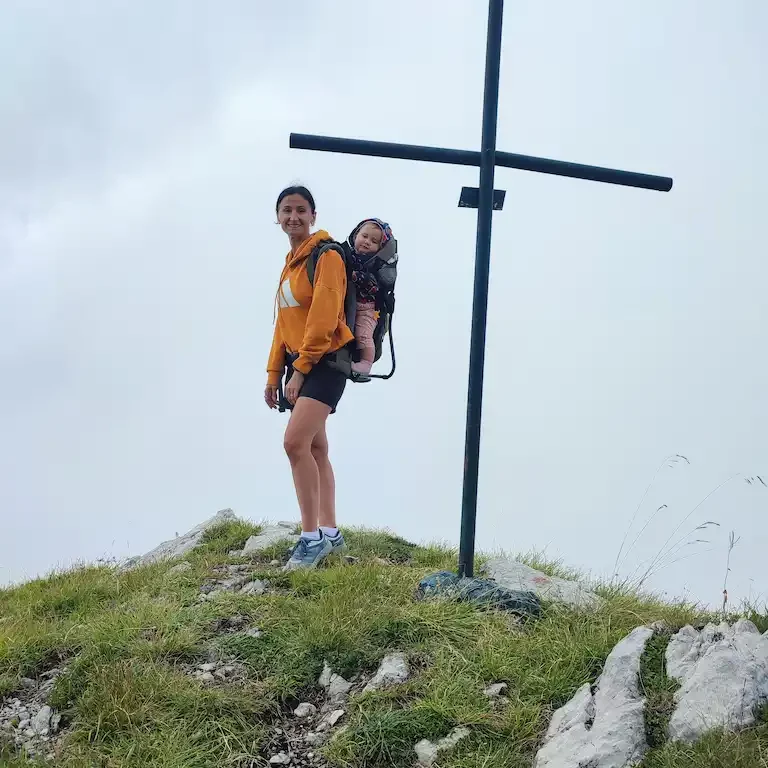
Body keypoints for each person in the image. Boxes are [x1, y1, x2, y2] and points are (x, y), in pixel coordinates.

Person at [264, 185, 353, 570]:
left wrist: (299, 371)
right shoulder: (292, 262)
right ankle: (330, 533)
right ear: (278, 216)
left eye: (301, 210)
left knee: (294, 443)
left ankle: (310, 538)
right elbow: (282, 324)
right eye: (286, 210)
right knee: (316, 450)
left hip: (325, 363)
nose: (293, 217)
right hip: (301, 364)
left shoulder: (326, 256)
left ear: (314, 215)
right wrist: (273, 373)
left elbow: (324, 316)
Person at [345, 218, 395, 376]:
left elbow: (373, 286)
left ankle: (366, 363)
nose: (367, 242)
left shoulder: (375, 265)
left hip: (368, 309)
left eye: (374, 241)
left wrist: (355, 276)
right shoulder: (346, 255)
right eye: (364, 236)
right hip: (349, 304)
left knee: (363, 334)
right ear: (355, 235)